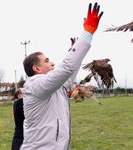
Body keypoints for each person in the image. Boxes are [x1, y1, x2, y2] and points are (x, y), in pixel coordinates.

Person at [20, 2, 103, 150]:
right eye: (46, 61)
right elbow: (65, 69)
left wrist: (74, 50)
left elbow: (68, 75)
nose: (52, 63)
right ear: (37, 68)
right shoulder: (35, 85)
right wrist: (87, 34)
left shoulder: (52, 87)